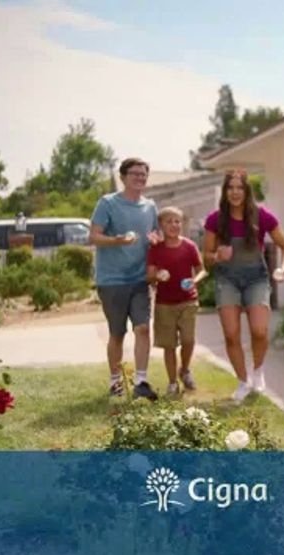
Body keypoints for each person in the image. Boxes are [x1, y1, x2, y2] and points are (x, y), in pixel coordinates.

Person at [202, 169, 284, 402]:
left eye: (239, 188)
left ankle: (258, 371)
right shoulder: (215, 219)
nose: (235, 192)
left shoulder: (261, 216)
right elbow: (206, 258)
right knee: (231, 335)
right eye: (230, 188)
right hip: (227, 280)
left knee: (259, 331)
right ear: (225, 191)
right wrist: (217, 256)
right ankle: (243, 382)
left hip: (256, 279)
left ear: (246, 191)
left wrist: (283, 267)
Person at [89, 157, 162, 400]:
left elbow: (155, 234)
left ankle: (141, 382)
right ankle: (115, 381)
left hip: (140, 279)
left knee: (143, 328)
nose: (140, 178)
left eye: (143, 174)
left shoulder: (150, 206)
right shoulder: (108, 203)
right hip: (112, 280)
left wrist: (156, 240)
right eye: (135, 174)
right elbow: (94, 236)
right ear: (123, 177)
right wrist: (117, 240)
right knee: (117, 333)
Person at [147, 206, 207, 396]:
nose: (174, 225)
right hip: (164, 304)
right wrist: (157, 275)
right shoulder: (156, 249)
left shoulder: (189, 246)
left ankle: (185, 370)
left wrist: (194, 281)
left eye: (177, 221)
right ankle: (172, 383)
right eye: (169, 221)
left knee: (188, 340)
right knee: (169, 345)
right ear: (161, 225)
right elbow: (149, 276)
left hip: (188, 301)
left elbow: (202, 270)